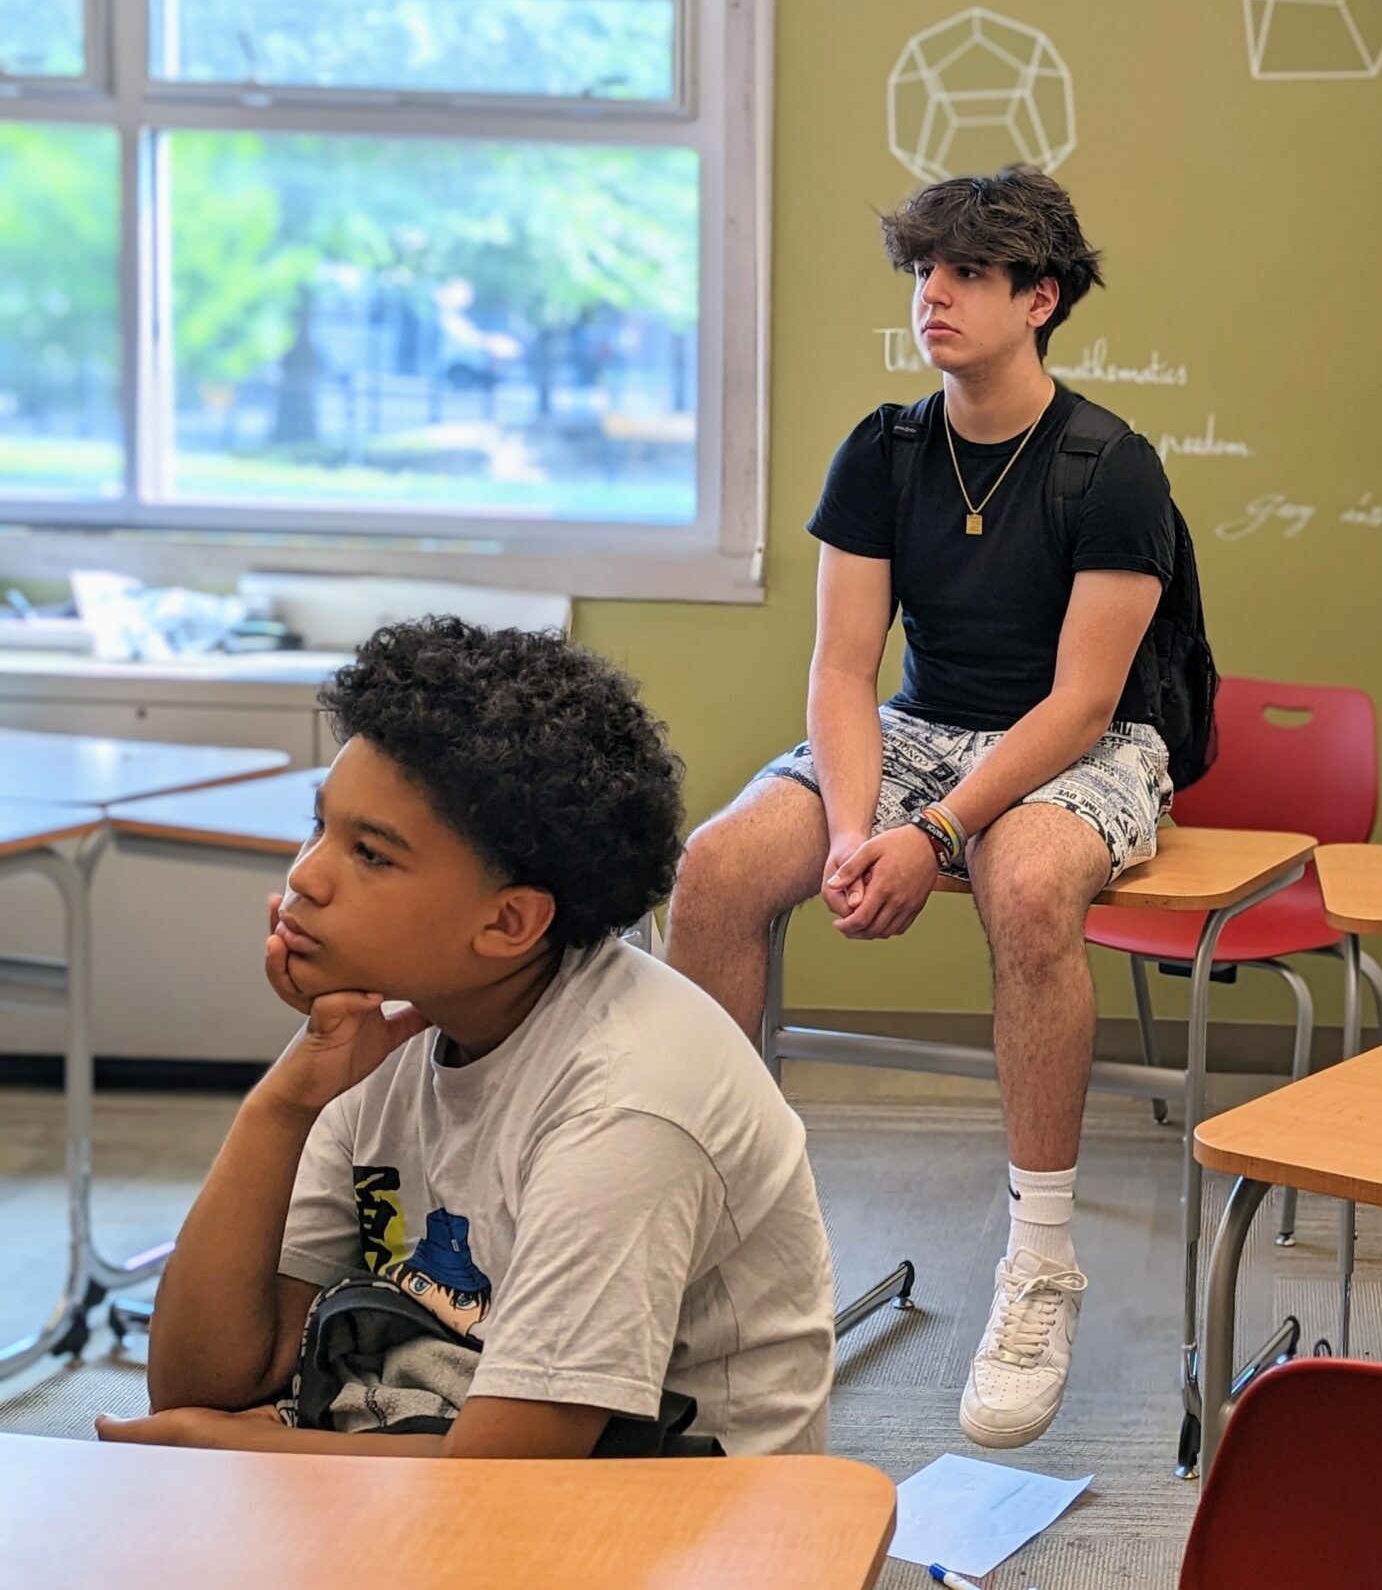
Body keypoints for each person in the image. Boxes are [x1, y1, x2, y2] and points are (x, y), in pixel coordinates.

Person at [669, 167, 1185, 1449]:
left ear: (1040, 297)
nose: (933, 295)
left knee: (1022, 883)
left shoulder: (1111, 465)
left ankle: (1040, 1263)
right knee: (715, 868)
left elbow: (1076, 704)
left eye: (965, 273)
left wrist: (936, 831)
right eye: (921, 271)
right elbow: (844, 670)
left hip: (1082, 741)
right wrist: (854, 829)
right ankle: (706, 1231)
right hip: (910, 731)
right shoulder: (885, 448)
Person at [100, 618, 834, 1459]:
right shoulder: (396, 1025)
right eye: (320, 826)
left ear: (509, 921)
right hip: (456, 1442)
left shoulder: (629, 1101)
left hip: (678, 1523)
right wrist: (285, 1103)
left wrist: (228, 1446)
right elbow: (203, 1380)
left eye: (370, 854)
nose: (305, 874)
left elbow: (507, 1479)